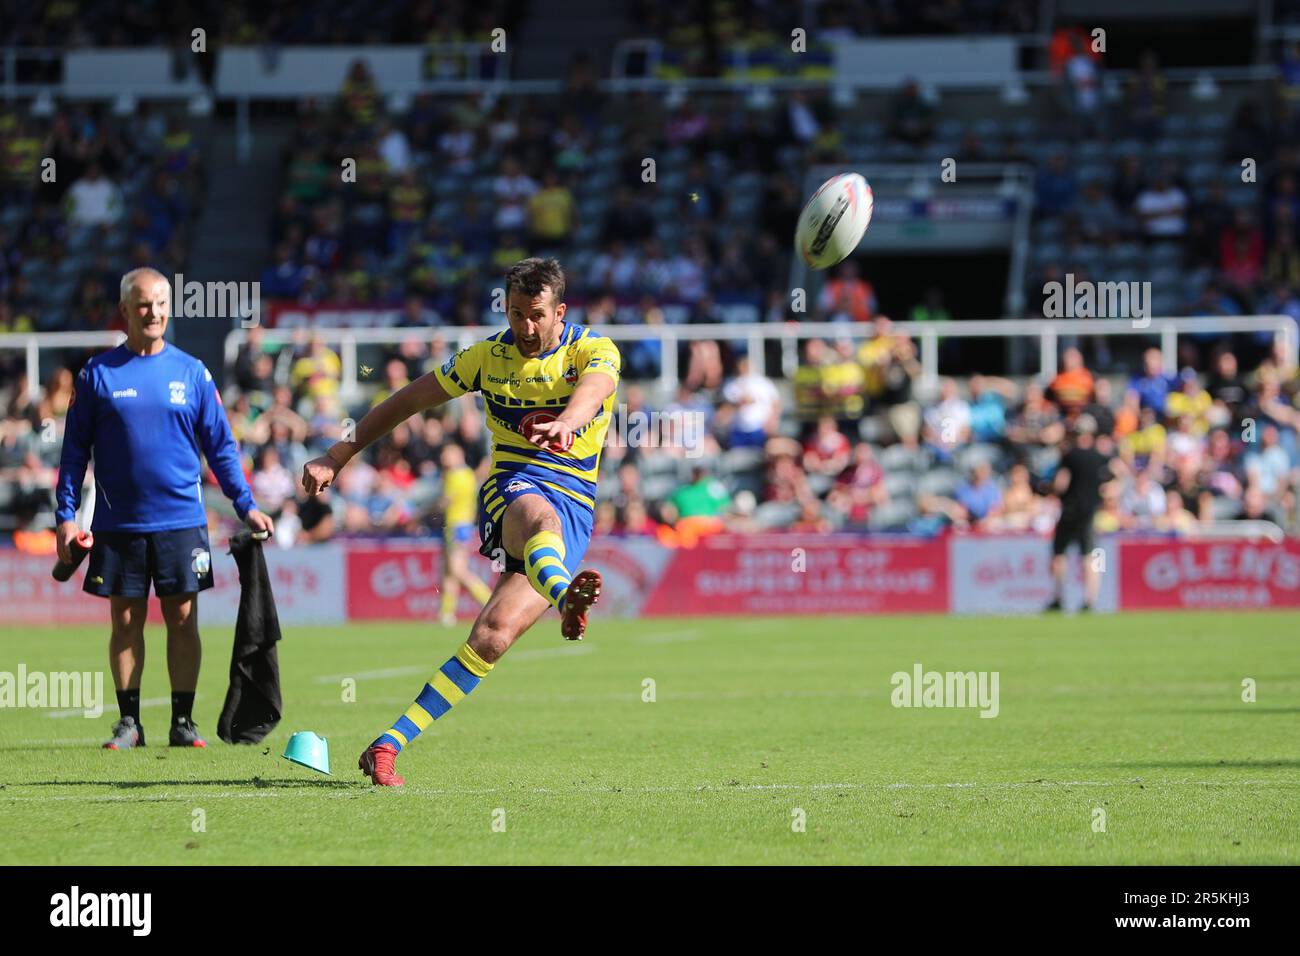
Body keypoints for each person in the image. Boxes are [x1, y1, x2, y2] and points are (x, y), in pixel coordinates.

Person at [300, 258, 619, 787]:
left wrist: (567, 422)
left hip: (576, 504)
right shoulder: (484, 358)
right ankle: (566, 600)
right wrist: (337, 455)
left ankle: (387, 744)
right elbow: (406, 401)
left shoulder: (593, 349)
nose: (525, 326)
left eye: (536, 315)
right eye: (516, 313)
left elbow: (598, 387)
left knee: (491, 637)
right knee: (539, 519)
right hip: (511, 488)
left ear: (559, 311)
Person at [54, 268, 274, 750]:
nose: (152, 312)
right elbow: (73, 453)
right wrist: (66, 516)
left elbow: (221, 448)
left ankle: (182, 721)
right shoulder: (97, 374)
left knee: (182, 619)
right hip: (118, 524)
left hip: (182, 523)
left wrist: (247, 506)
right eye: (142, 304)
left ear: (169, 308)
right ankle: (129, 722)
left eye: (159, 303)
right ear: (125, 311)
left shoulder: (192, 372)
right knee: (126, 622)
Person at [1046, 415, 1113, 612]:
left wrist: (1051, 490)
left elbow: (1061, 483)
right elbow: (1115, 477)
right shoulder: (1100, 456)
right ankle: (1090, 600)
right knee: (1090, 555)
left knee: (1059, 554)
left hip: (1070, 511)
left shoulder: (1070, 455)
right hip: (1090, 512)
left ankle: (1058, 598)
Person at [437, 443, 493, 627]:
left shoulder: (454, 476)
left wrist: (426, 509)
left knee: (457, 570)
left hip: (457, 525)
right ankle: (446, 614)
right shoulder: (469, 474)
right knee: (449, 572)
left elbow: (446, 501)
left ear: (457, 455)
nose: (444, 458)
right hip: (463, 524)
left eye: (447, 454)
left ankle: (489, 601)